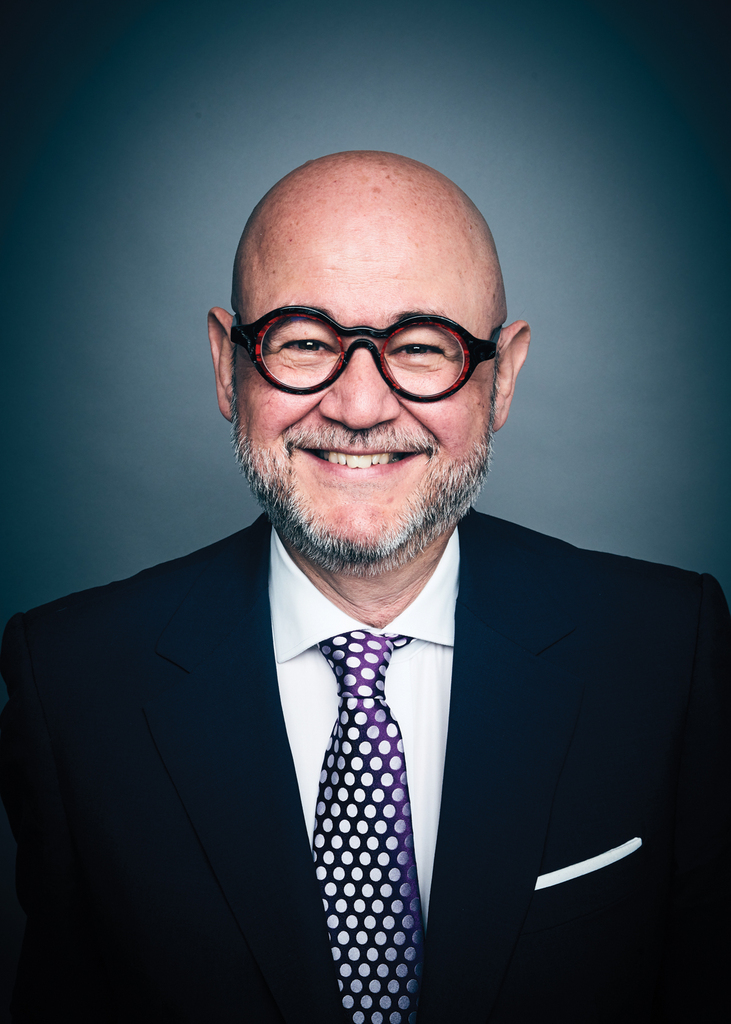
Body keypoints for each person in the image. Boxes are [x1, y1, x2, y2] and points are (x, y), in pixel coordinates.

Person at [0, 151, 729, 1024]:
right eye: (304, 341)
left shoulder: (667, 651)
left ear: (502, 378)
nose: (357, 407)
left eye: (420, 347)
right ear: (227, 365)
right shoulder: (71, 684)